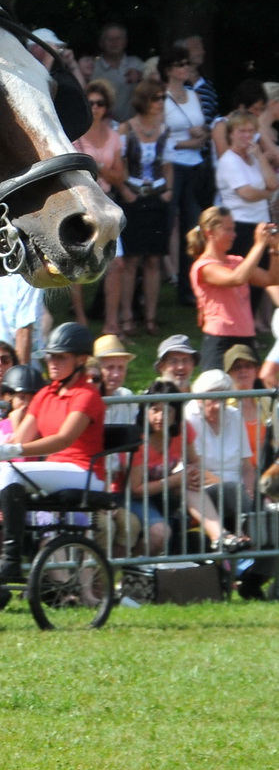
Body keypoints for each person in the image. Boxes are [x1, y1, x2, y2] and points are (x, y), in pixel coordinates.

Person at [0, 323, 107, 580]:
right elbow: (20, 438)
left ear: (81, 359)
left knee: (9, 474)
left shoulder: (87, 395)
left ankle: (11, 560)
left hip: (83, 470)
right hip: (56, 469)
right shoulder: (45, 394)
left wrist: (13, 449)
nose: (52, 362)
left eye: (60, 357)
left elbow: (63, 439)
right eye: (50, 356)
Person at [125, 383, 236, 554]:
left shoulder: (182, 430)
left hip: (163, 493)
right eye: (155, 410)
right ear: (146, 411)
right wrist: (176, 479)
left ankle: (220, 537)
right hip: (132, 498)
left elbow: (195, 462)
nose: (160, 417)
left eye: (167, 411)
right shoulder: (138, 439)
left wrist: (192, 475)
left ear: (176, 414)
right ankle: (130, 573)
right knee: (161, 531)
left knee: (189, 484)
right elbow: (136, 490)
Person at [214, 112, 279, 335]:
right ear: (231, 134)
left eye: (251, 131)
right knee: (244, 283)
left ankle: (250, 328)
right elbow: (247, 194)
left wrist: (260, 156)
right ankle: (240, 330)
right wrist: (268, 193)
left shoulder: (253, 158)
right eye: (242, 131)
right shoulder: (228, 161)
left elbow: (273, 182)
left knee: (260, 282)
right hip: (239, 226)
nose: (247, 136)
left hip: (261, 224)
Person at [70, 80, 127, 332]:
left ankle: (111, 322)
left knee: (117, 263)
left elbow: (119, 176)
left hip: (106, 202)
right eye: (91, 102)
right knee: (78, 262)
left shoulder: (114, 136)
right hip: (81, 204)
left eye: (100, 103)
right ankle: (80, 318)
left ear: (106, 107)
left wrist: (99, 167)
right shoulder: (74, 134)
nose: (95, 107)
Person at [116, 80, 172, 336]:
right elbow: (121, 161)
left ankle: (150, 316)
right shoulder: (126, 128)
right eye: (156, 98)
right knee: (131, 259)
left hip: (158, 196)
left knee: (153, 260)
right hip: (133, 195)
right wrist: (126, 190)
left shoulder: (165, 129)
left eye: (162, 98)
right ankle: (127, 315)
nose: (160, 102)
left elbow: (168, 163)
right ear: (145, 101)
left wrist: (169, 189)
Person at [188, 206, 273, 375]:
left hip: (246, 336)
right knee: (219, 393)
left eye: (233, 229)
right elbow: (235, 279)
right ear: (209, 232)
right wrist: (259, 244)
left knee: (254, 395)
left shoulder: (236, 261)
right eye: (228, 230)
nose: (234, 234)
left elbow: (271, 280)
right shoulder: (203, 266)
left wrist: (275, 249)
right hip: (220, 339)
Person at [161, 46, 210, 307]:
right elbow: (159, 135)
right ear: (169, 70)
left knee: (192, 227)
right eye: (181, 64)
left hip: (195, 167)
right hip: (172, 165)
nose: (186, 68)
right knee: (166, 224)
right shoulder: (161, 97)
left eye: (187, 64)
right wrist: (185, 144)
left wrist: (200, 137)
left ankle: (187, 289)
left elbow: (203, 127)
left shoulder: (193, 95)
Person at [187, 367, 255, 530]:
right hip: (204, 492)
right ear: (198, 399)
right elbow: (193, 471)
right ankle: (255, 545)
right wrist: (234, 489)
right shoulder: (188, 418)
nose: (218, 406)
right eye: (212, 398)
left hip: (239, 492)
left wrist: (250, 493)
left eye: (223, 399)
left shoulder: (235, 416)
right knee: (233, 491)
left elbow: (247, 467)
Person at [82, 22, 142, 122]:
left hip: (132, 128)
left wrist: (140, 77)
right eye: (109, 39)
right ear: (101, 43)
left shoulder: (137, 64)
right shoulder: (92, 67)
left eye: (118, 39)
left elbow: (154, 88)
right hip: (101, 126)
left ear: (125, 42)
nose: (114, 42)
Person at [0, 272, 44, 365]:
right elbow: (23, 331)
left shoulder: (2, 275)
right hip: (13, 360)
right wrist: (21, 372)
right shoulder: (30, 279)